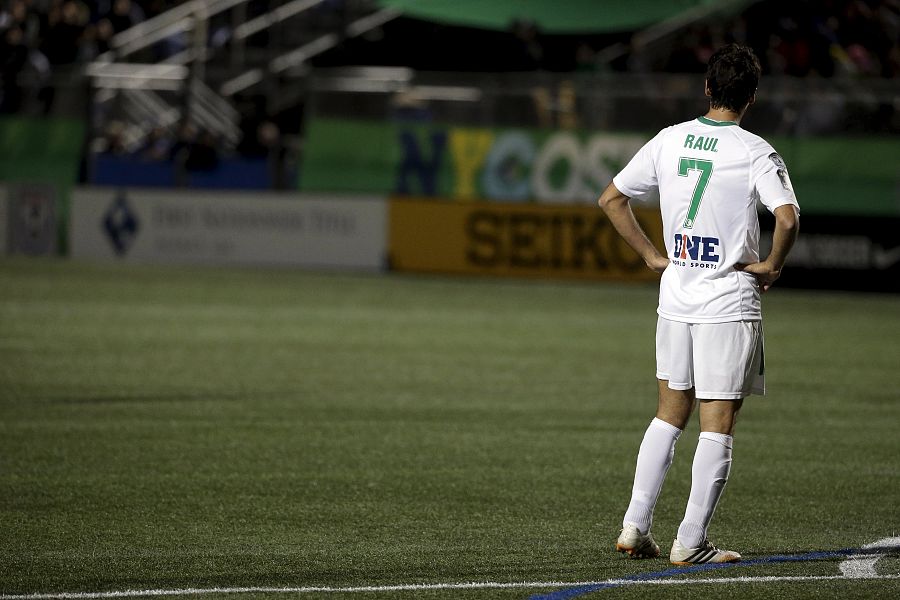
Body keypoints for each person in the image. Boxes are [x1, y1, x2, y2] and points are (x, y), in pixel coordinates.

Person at [598, 43, 800, 565]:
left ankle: (634, 526)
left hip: (677, 297)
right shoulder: (755, 151)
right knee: (718, 423)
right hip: (728, 303)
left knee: (668, 415)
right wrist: (773, 266)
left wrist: (649, 254)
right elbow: (787, 217)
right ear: (751, 97)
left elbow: (611, 199)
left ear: (707, 89)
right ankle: (691, 541)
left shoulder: (670, 140)